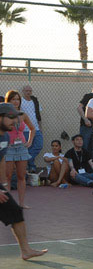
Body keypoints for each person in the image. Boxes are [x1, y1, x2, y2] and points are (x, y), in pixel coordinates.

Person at [0, 103, 47, 260]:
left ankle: (25, 250)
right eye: (11, 117)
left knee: (15, 212)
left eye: (16, 117)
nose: (15, 121)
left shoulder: (5, 137)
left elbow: (0, 159)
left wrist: (3, 185)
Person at [4, 90, 35, 209]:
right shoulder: (3, 116)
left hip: (21, 148)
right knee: (7, 177)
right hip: (8, 148)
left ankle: (21, 203)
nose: (16, 102)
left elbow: (32, 129)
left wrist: (29, 142)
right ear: (8, 101)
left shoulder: (23, 114)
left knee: (21, 177)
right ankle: (7, 205)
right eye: (13, 99)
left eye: (18, 99)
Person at [20, 85, 43, 173]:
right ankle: (31, 166)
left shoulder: (34, 101)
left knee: (39, 145)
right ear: (23, 91)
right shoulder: (21, 101)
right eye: (26, 91)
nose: (28, 92)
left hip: (35, 127)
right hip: (25, 129)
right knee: (26, 148)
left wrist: (40, 126)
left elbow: (38, 114)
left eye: (30, 91)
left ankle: (28, 161)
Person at [77, 84, 93, 153]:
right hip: (87, 126)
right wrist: (86, 119)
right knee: (84, 145)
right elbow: (79, 108)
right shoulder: (89, 96)